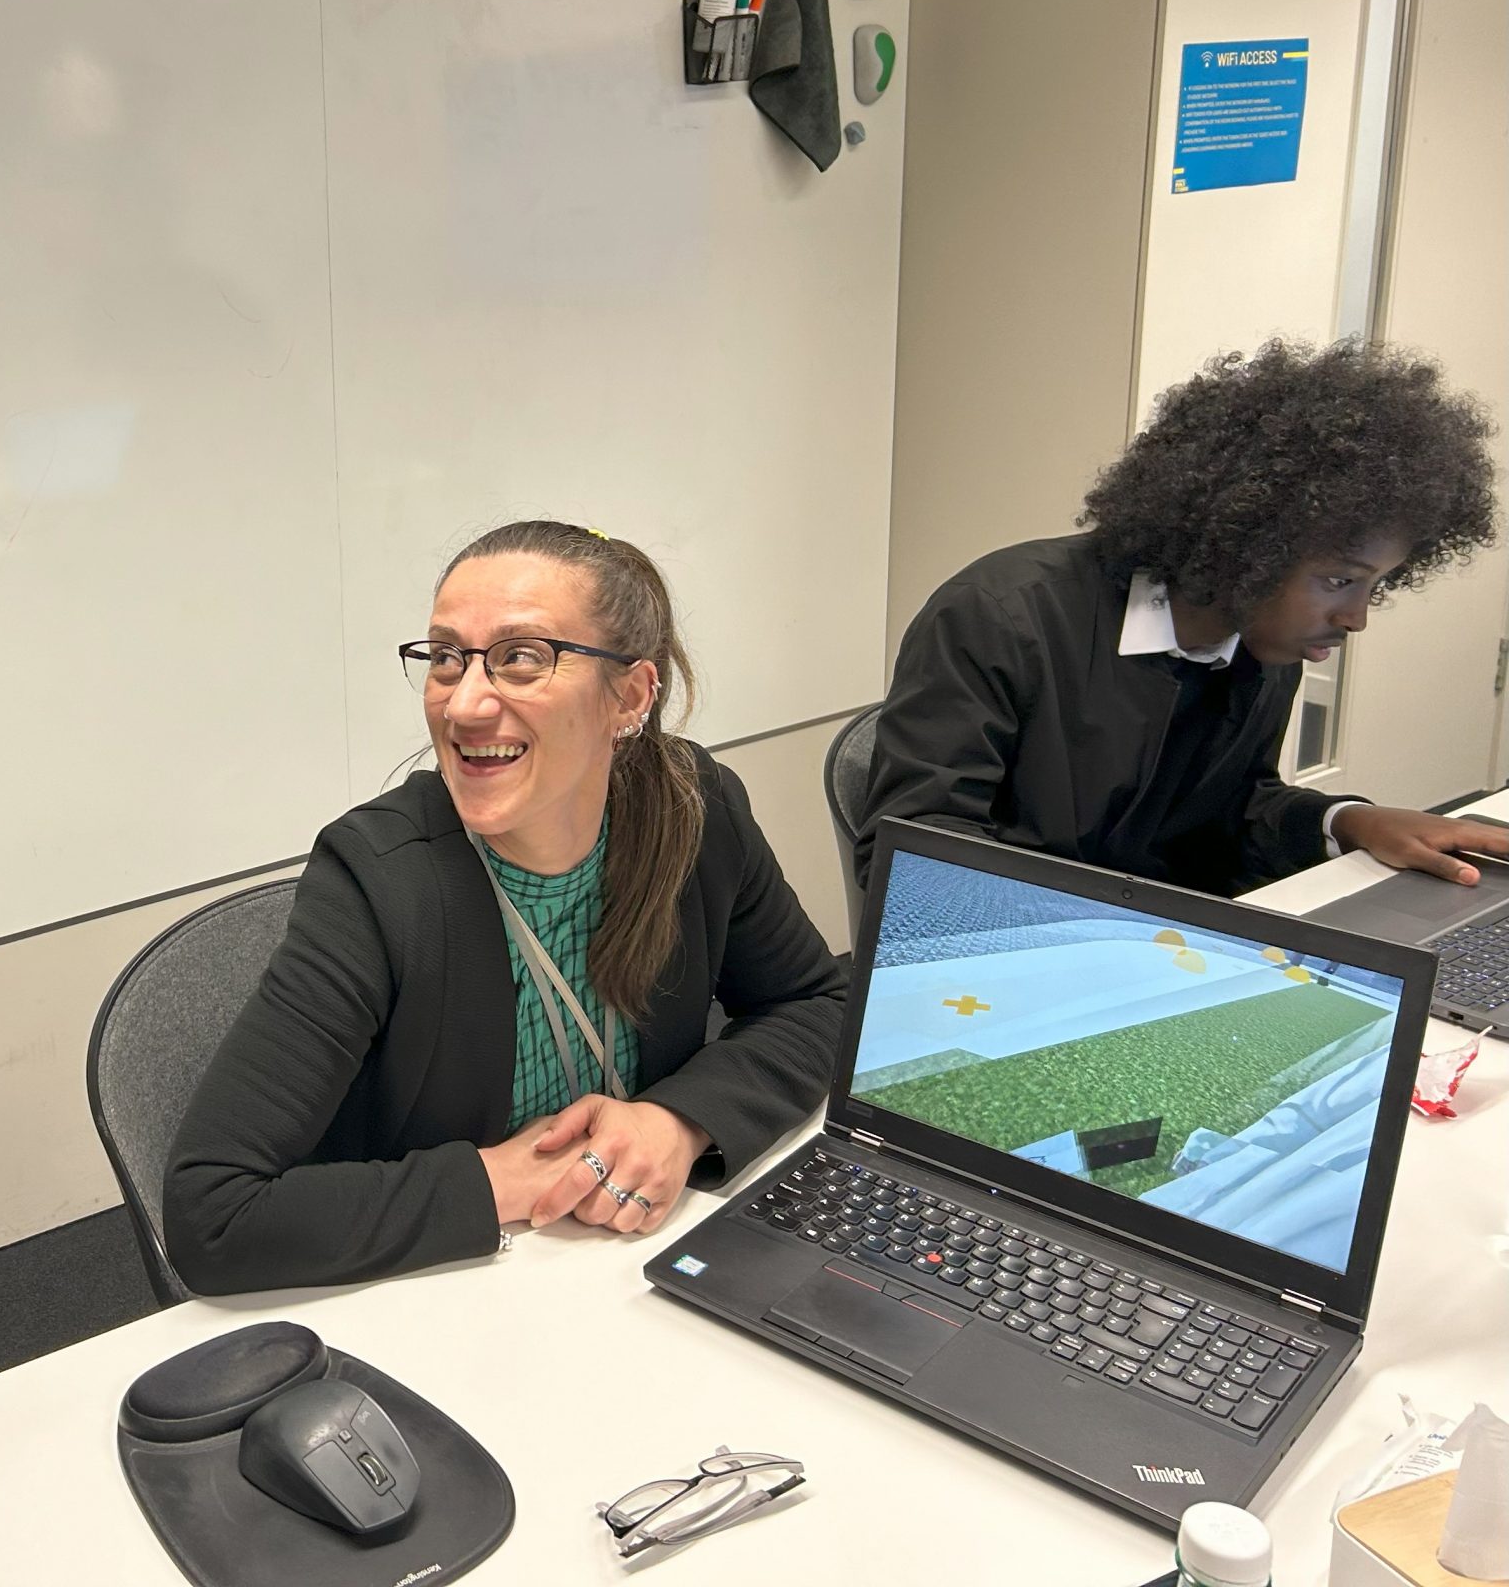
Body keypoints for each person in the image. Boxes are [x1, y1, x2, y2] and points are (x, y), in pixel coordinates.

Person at [163, 521, 847, 1296]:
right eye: (447, 658)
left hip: (634, 1266)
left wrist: (680, 1121)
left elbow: (814, 1003)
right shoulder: (378, 881)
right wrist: (502, 1182)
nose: (464, 704)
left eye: (522, 658)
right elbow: (211, 1212)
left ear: (629, 695)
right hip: (445, 1294)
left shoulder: (691, 809)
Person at [863, 340, 1500, 899]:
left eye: (1374, 586)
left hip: (1173, 949)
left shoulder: (1261, 642)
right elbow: (922, 849)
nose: (1356, 618)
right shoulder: (1004, 616)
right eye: (1341, 580)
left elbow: (1231, 809)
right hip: (1012, 958)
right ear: (1251, 543)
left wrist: (1348, 822)